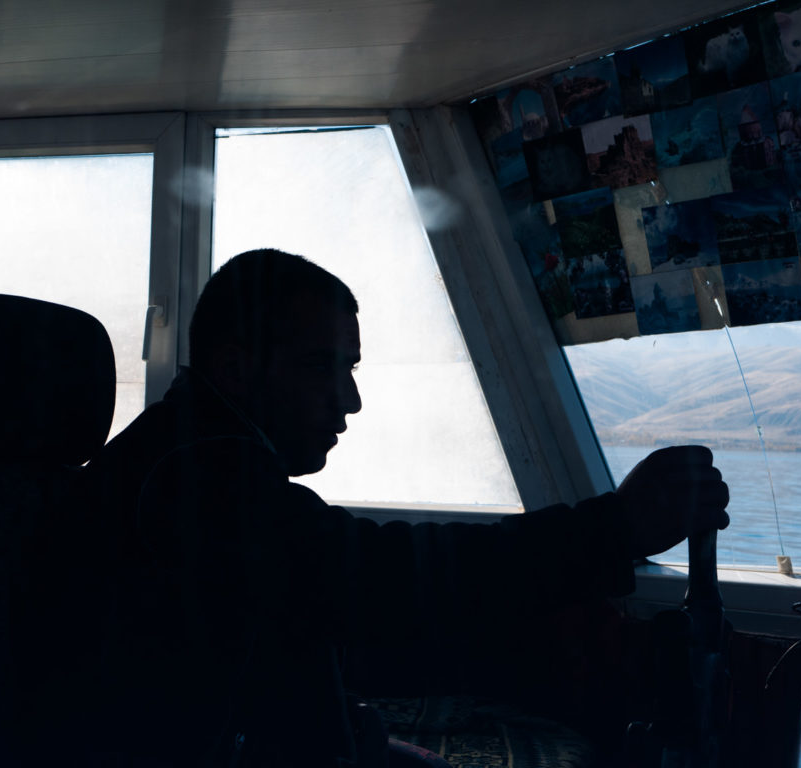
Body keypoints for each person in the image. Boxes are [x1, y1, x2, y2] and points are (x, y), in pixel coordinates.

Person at [88, 248, 729, 767]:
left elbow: (284, 640)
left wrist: (358, 740)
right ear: (233, 368)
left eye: (352, 368)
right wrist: (613, 529)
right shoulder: (190, 482)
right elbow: (372, 580)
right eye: (321, 368)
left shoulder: (186, 457)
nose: (350, 401)